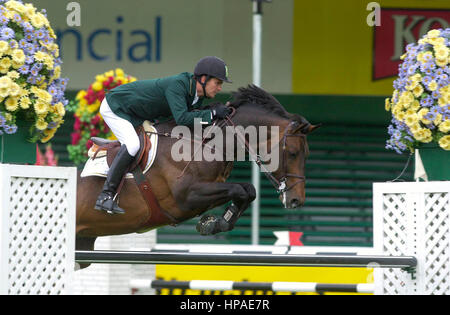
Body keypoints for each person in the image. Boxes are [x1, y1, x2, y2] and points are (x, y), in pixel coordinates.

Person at [95, 56, 232, 215]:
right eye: (218, 83)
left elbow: (191, 117)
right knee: (133, 144)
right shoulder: (178, 85)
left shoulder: (196, 96)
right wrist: (213, 113)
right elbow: (182, 119)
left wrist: (214, 114)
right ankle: (106, 195)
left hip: (135, 114)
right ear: (203, 79)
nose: (220, 88)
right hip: (116, 107)